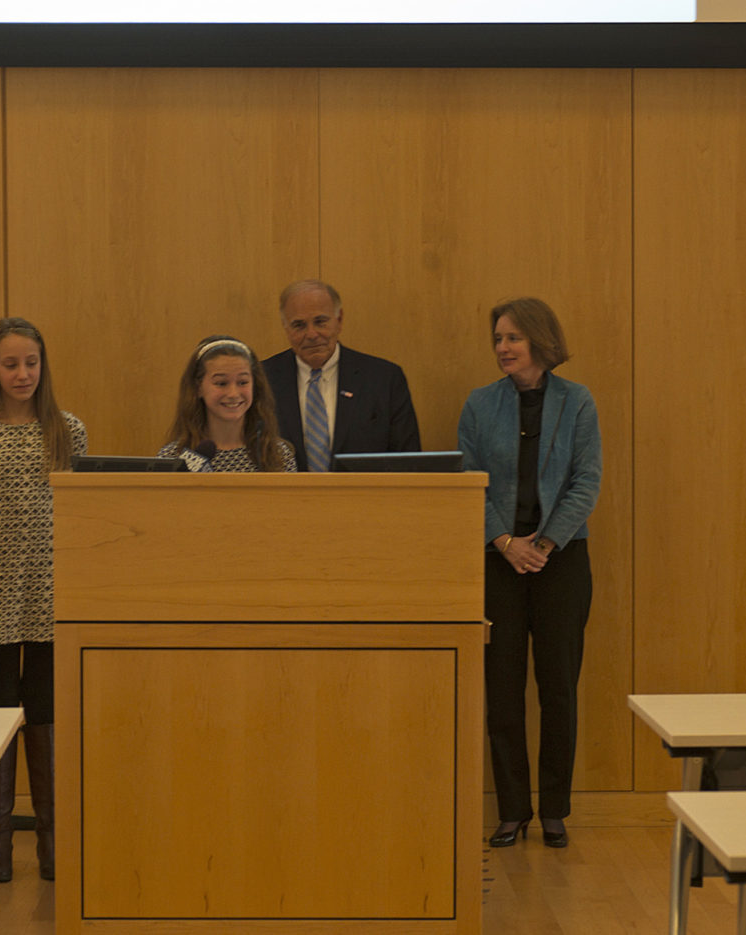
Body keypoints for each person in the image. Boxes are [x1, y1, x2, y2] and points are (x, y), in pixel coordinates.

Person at [457, 297, 601, 850]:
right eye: (497, 338)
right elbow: (471, 477)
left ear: (540, 341)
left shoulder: (577, 402)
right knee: (502, 689)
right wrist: (504, 543)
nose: (502, 349)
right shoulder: (479, 404)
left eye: (512, 338)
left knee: (559, 686)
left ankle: (556, 810)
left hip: (560, 561)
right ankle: (513, 810)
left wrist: (540, 544)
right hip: (497, 562)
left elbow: (586, 482)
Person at [0, 318, 87, 884]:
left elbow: (78, 513)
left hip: (55, 587)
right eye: (11, 364)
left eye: (31, 362)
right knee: (1, 702)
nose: (23, 374)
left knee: (46, 704)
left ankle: (50, 843)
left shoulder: (67, 429)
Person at [262, 279, 421, 472]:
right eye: (299, 325)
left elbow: (408, 463)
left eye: (320, 322)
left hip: (365, 499)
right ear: (286, 328)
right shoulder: (263, 380)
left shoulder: (384, 379)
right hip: (283, 500)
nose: (311, 334)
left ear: (339, 320)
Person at [158, 335, 296, 472]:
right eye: (221, 383)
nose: (233, 394)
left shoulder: (277, 454)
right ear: (198, 387)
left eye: (243, 382)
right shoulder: (173, 457)